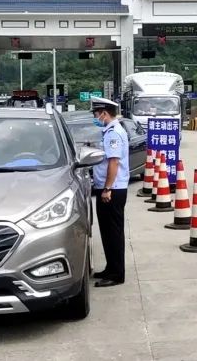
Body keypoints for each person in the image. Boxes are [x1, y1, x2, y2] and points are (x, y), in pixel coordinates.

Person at [90, 96, 130, 287]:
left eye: (96, 114)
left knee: (113, 232)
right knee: (107, 231)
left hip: (112, 190)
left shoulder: (113, 133)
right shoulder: (110, 131)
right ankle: (111, 267)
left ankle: (116, 274)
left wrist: (107, 188)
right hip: (110, 188)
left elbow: (113, 162)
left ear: (104, 113)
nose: (95, 118)